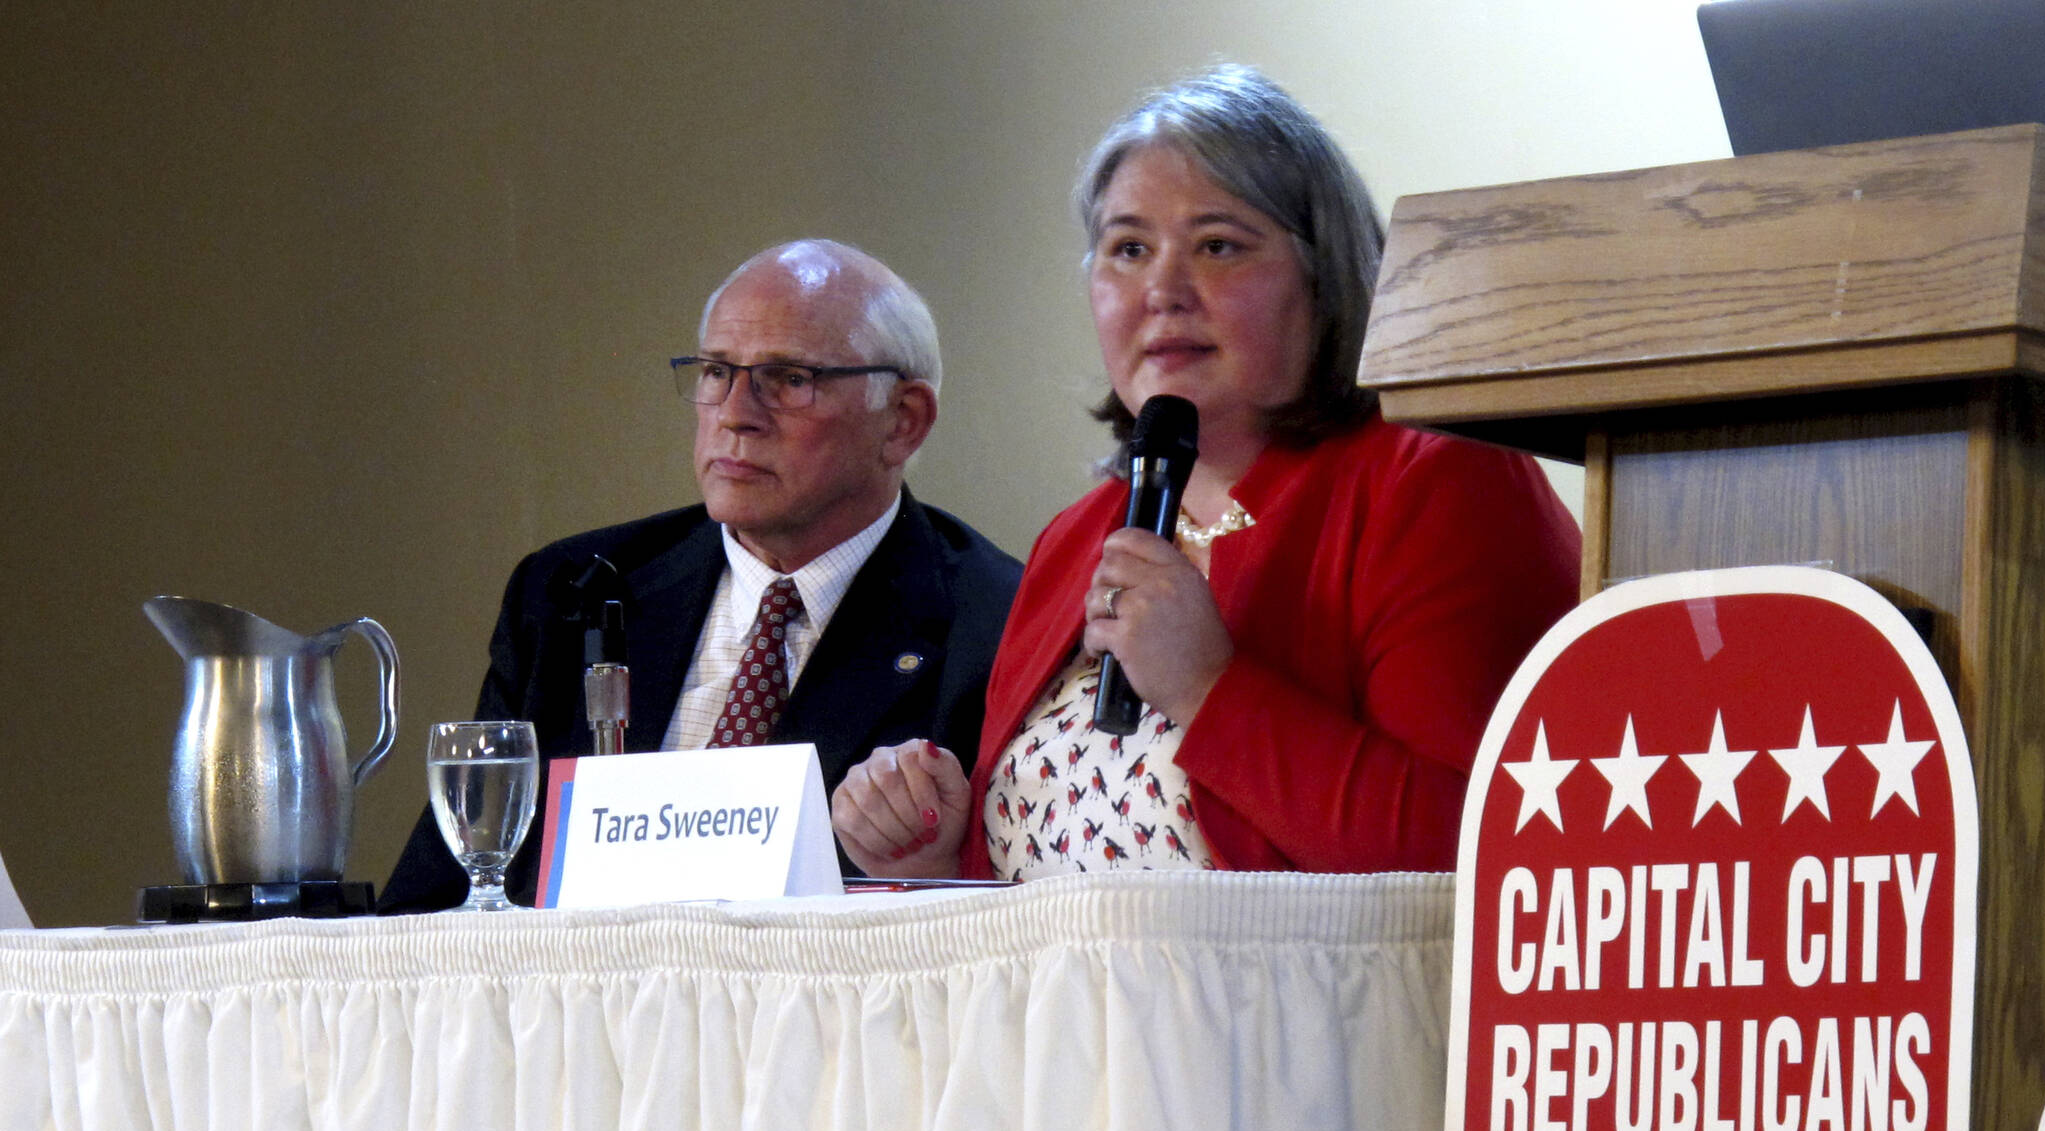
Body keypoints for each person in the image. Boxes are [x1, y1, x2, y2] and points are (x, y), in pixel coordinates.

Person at [831, 66, 1579, 880]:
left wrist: (1210, 689)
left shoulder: (1438, 483)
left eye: (1218, 245)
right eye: (1128, 249)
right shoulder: (1076, 539)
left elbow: (1487, 851)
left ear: (1324, 276)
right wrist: (940, 850)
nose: (1162, 290)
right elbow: (1038, 877)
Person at [382, 239, 1022, 911]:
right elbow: (431, 909)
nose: (736, 414)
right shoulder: (571, 594)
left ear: (903, 421)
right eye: (717, 371)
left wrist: (933, 865)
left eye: (789, 379)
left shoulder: (994, 625)